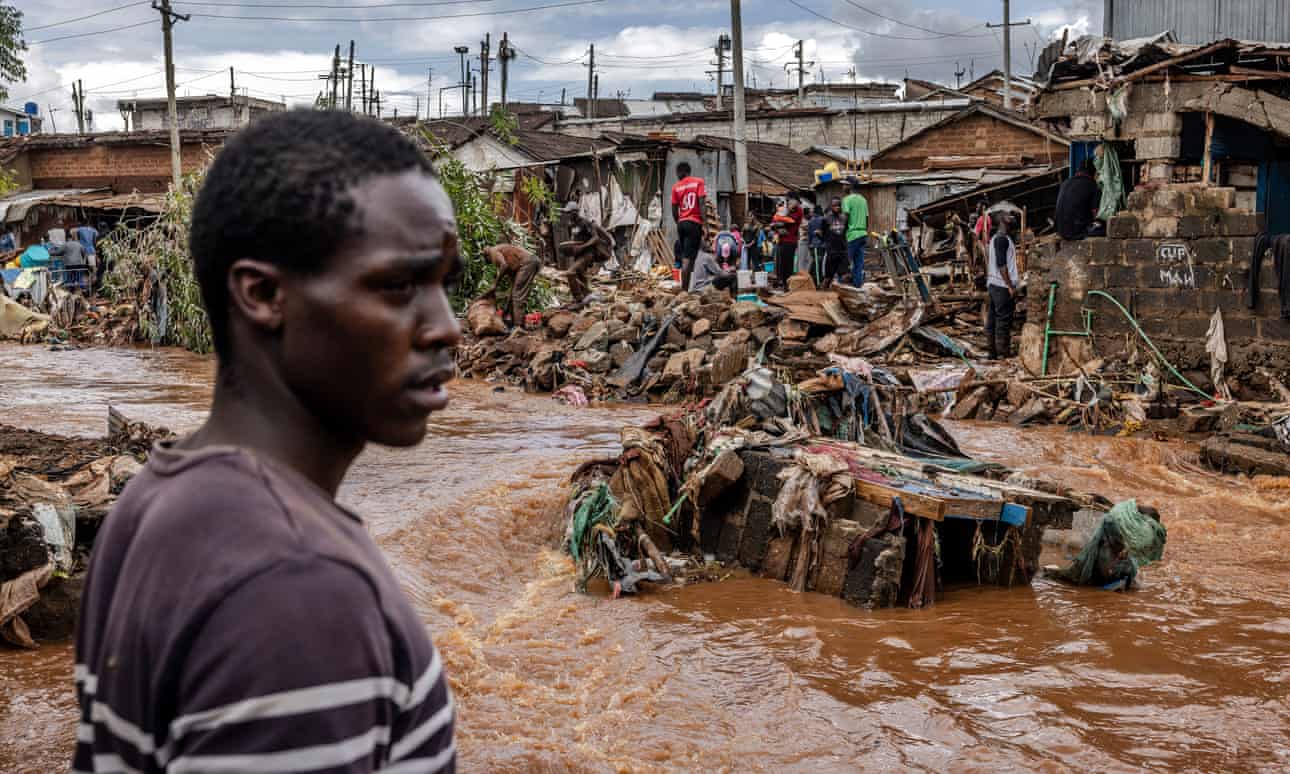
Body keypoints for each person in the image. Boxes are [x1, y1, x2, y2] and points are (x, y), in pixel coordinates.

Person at [73, 111, 458, 773]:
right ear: (262, 294)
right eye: (398, 285)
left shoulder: (156, 497)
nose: (446, 327)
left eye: (444, 284)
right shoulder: (297, 584)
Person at [560, 207, 614, 302]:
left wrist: (583, 246)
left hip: (588, 253)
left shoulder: (585, 223)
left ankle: (578, 298)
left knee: (570, 272)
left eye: (569, 212)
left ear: (575, 212)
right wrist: (571, 248)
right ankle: (587, 298)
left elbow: (595, 238)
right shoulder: (571, 224)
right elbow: (575, 239)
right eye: (566, 213)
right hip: (579, 254)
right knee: (581, 276)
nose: (567, 215)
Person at [481, 242, 542, 327]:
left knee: (518, 295)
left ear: (487, 256)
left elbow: (504, 266)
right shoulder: (503, 252)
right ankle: (513, 322)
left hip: (528, 263)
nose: (492, 262)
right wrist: (505, 312)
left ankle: (518, 327)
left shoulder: (493, 252)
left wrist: (495, 284)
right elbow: (511, 271)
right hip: (530, 262)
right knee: (514, 293)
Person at [986, 216, 1020, 360]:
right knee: (1003, 321)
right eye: (1009, 218)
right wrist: (1010, 286)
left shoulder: (996, 238)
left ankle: (992, 352)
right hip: (1001, 285)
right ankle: (1002, 353)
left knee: (993, 319)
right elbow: (1002, 265)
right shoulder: (1001, 239)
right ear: (1002, 222)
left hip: (994, 284)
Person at [671, 162, 706, 290]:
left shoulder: (676, 187)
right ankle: (684, 291)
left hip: (681, 222)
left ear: (681, 172)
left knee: (687, 256)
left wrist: (680, 223)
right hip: (694, 222)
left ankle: (686, 288)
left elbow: (674, 210)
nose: (677, 177)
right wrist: (705, 226)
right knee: (688, 259)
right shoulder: (698, 182)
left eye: (677, 174)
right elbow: (702, 205)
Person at [1055, 158, 1102, 241]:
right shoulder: (1092, 186)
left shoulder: (1066, 182)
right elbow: (1096, 214)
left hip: (1061, 231)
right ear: (1094, 172)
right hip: (1076, 232)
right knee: (1104, 226)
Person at [771, 194, 804, 288]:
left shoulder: (798, 210)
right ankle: (781, 280)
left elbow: (789, 221)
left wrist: (777, 224)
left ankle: (787, 283)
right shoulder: (786, 209)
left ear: (796, 201)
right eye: (787, 200)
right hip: (781, 240)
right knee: (780, 262)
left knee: (788, 263)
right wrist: (776, 226)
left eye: (790, 200)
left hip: (790, 241)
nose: (788, 202)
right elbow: (775, 221)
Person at [842, 179, 869, 285]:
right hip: (862, 234)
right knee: (858, 264)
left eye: (844, 184)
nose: (843, 187)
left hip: (851, 235)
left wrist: (840, 233)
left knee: (844, 263)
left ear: (850, 186)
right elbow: (867, 219)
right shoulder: (863, 200)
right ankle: (857, 286)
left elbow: (845, 217)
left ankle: (842, 288)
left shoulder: (847, 200)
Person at [822, 196, 849, 288]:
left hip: (842, 250)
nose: (837, 207)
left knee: (845, 275)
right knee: (828, 277)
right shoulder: (826, 219)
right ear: (831, 206)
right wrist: (827, 244)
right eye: (834, 205)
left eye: (839, 205)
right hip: (831, 251)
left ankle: (843, 294)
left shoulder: (844, 218)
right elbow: (822, 233)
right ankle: (822, 295)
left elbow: (846, 231)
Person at [807, 204, 828, 284]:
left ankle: (815, 281)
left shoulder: (811, 221)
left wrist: (809, 245)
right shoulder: (823, 219)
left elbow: (809, 235)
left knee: (815, 264)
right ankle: (819, 281)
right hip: (821, 245)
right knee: (820, 263)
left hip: (814, 245)